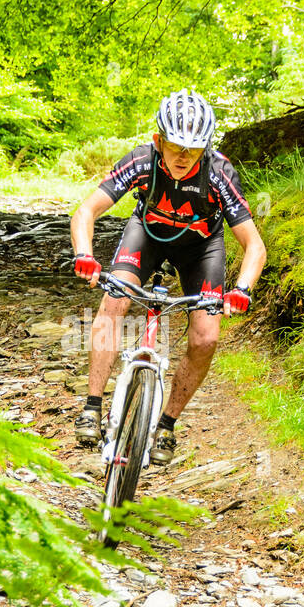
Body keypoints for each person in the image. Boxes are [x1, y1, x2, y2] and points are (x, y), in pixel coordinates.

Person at [69, 89, 266, 465]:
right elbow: (86, 211)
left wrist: (242, 289)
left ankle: (166, 426)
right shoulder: (143, 159)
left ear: (205, 148)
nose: (182, 156)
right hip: (148, 236)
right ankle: (92, 407)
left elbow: (254, 246)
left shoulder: (219, 173)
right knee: (115, 300)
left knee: (206, 336)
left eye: (192, 150)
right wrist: (84, 255)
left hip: (201, 249)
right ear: (159, 140)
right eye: (175, 146)